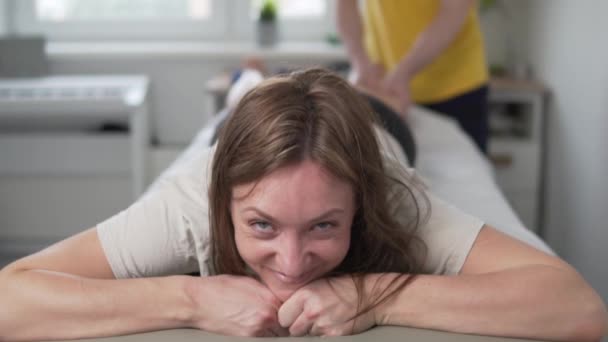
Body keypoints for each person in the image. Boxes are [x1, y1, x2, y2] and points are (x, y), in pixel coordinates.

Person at [0, 69, 606, 341]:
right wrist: (186, 296)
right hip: (242, 118)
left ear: (360, 206)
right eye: (261, 225)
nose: (291, 264)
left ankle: (370, 79)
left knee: (374, 89)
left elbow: (579, 308)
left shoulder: (394, 197)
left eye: (324, 225)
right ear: (225, 204)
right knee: (248, 91)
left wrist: (375, 295)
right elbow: (10, 299)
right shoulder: (188, 205)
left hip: (380, 123)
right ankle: (250, 78)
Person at [336, 0, 491, 153]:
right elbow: (345, 4)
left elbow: (454, 10)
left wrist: (404, 72)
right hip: (381, 88)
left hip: (454, 87)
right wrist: (360, 63)